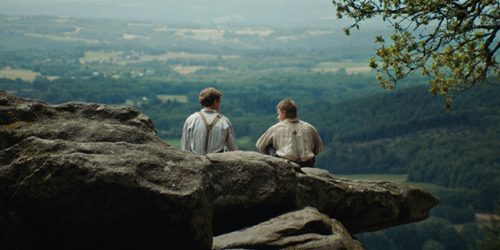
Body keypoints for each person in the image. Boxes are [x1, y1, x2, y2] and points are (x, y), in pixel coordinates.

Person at [256, 98, 323, 167]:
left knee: (269, 145)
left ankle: (275, 166)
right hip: (308, 164)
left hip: (286, 165)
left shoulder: (276, 128)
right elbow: (319, 147)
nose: (278, 117)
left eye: (279, 114)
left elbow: (260, 145)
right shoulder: (309, 127)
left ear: (284, 113)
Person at [181, 87, 237, 155]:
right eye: (219, 102)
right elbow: (233, 150)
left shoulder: (191, 120)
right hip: (217, 164)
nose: (220, 105)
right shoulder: (224, 122)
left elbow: (185, 148)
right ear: (215, 102)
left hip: (196, 162)